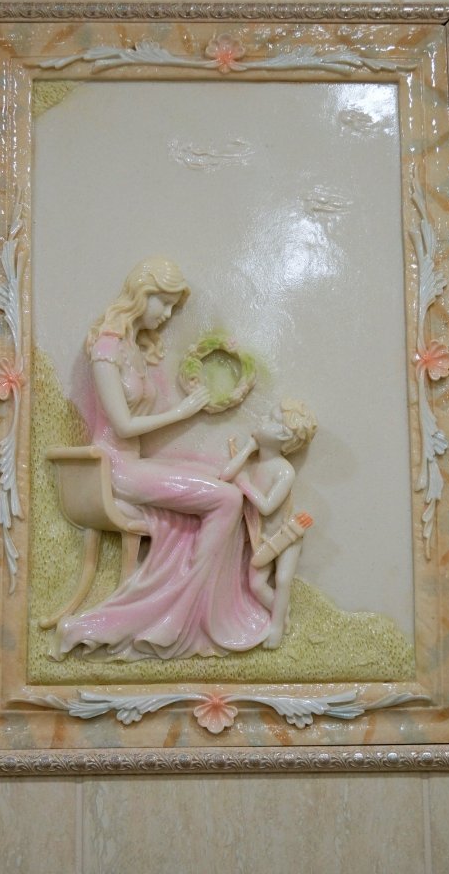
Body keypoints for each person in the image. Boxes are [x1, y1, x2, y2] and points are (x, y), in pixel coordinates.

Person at [52, 257, 271, 662]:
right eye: (164, 303)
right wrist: (184, 412)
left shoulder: (131, 347)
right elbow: (123, 425)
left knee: (223, 481)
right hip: (114, 469)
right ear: (143, 294)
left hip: (132, 465)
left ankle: (191, 608)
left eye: (173, 306)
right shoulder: (106, 349)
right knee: (227, 499)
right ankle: (179, 613)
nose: (168, 314)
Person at [220, 399, 317, 649]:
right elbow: (225, 475)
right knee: (255, 585)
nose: (263, 419)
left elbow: (266, 506)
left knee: (283, 580)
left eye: (272, 420)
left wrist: (244, 483)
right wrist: (247, 450)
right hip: (261, 539)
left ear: (283, 436)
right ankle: (282, 614)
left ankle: (276, 629)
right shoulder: (254, 463)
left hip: (286, 536)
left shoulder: (284, 471)